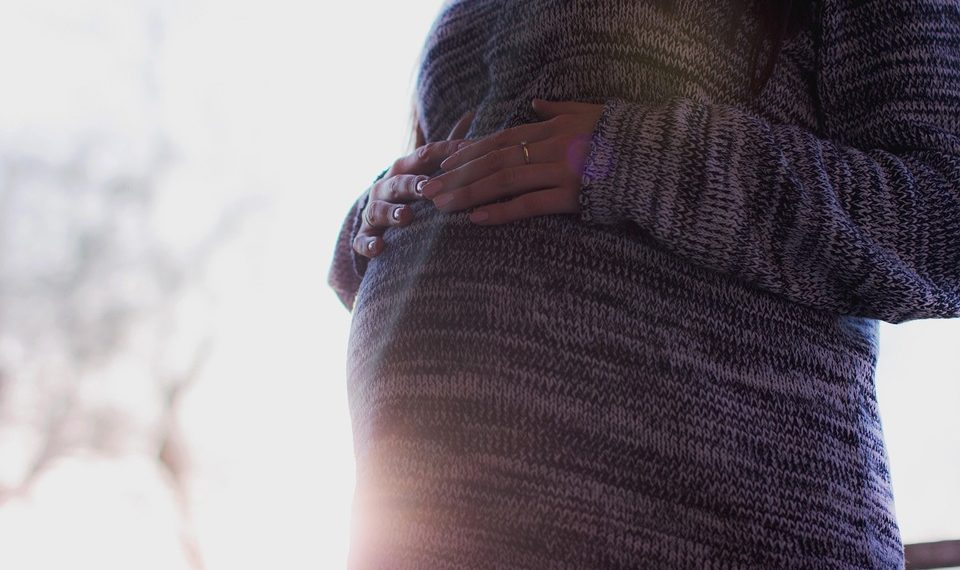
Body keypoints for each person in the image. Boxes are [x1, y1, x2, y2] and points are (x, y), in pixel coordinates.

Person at [329, 0, 960, 567]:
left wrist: (626, 157)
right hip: (430, 506)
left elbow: (941, 219)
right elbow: (481, 160)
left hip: (717, 514)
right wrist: (378, 217)